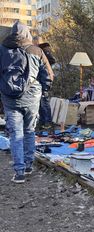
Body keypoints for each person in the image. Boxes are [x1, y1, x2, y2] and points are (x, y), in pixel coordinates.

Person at [0, 21, 53, 183]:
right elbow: (49, 75)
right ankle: (29, 165)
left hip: (9, 99)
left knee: (15, 134)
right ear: (27, 33)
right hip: (32, 97)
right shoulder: (36, 50)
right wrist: (43, 89)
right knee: (29, 131)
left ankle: (19, 172)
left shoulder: (2, 49)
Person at [33, 36, 56, 129]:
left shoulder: (43, 51)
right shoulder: (40, 50)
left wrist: (45, 65)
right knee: (41, 103)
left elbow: (51, 61)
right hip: (42, 79)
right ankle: (43, 121)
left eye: (34, 42)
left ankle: (47, 122)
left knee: (44, 102)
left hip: (44, 80)